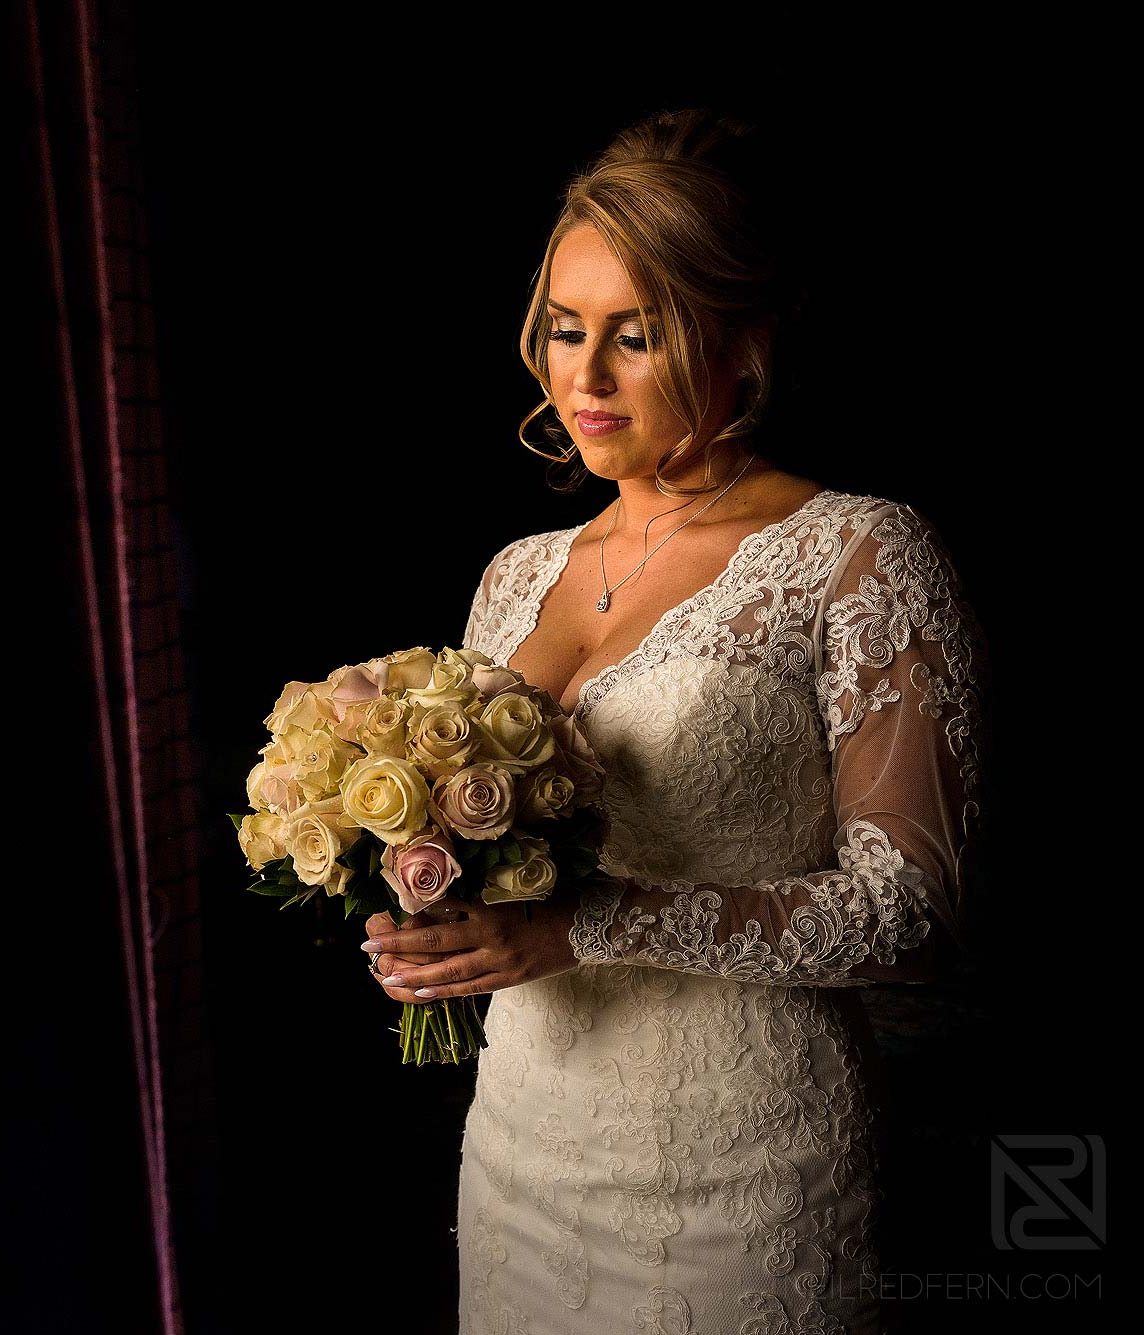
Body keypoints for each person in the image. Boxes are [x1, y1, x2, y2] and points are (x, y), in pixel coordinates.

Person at [359, 109, 988, 1333]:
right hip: (522, 1147)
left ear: (744, 336)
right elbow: (504, 868)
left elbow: (911, 912)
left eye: (635, 338)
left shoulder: (857, 554)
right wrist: (428, 918)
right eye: (563, 330)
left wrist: (586, 928)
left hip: (743, 1168)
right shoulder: (513, 574)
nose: (581, 380)